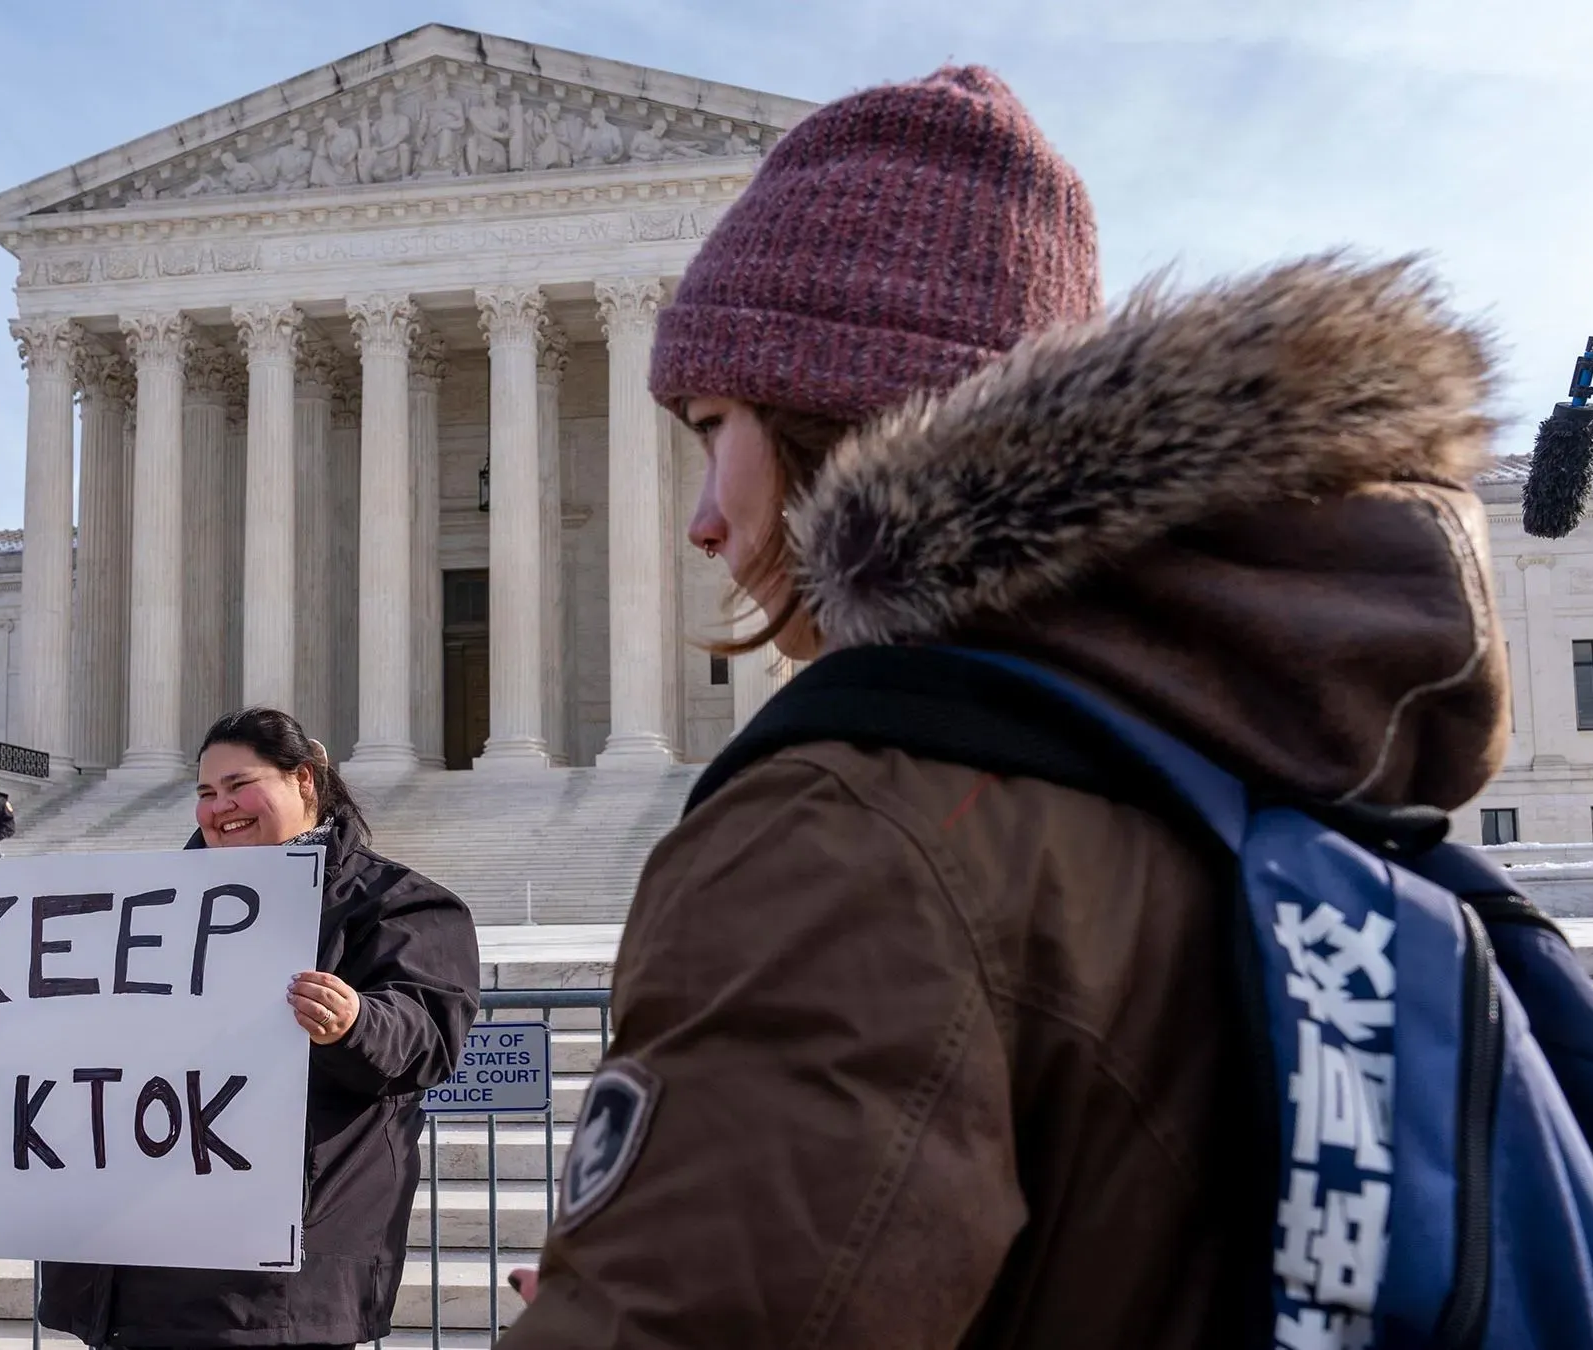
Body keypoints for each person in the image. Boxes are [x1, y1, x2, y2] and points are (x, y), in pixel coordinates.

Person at [498, 66, 1509, 1348]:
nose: (700, 519)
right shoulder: (1222, 762)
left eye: (710, 427)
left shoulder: (858, 835)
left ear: (829, 413)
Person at [0, 706, 481, 1348]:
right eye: (206, 792)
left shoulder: (397, 904)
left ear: (304, 780)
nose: (220, 807)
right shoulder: (141, 909)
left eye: (239, 785)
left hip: (273, 1285)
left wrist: (354, 1022)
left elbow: (428, 1037)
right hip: (129, 1267)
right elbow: (50, 1035)